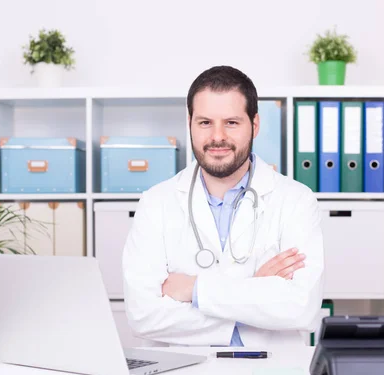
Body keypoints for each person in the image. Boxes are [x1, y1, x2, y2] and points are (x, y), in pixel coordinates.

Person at [122, 65, 324, 347]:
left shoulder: (295, 200)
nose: (217, 137)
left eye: (231, 122)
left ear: (254, 124)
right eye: (205, 123)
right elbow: (143, 316)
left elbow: (302, 310)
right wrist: (255, 291)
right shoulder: (156, 202)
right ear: (190, 122)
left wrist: (193, 289)